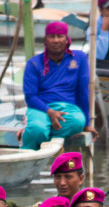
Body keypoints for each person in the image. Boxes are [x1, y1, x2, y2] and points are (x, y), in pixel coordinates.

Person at [21, 22, 92, 150]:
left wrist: (86, 123)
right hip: (40, 108)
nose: (56, 40)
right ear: (45, 41)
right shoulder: (34, 63)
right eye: (51, 37)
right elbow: (30, 97)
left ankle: (32, 133)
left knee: (77, 122)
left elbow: (82, 91)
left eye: (60, 36)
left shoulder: (79, 58)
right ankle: (30, 142)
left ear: (66, 40)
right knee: (37, 129)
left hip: (68, 109)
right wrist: (50, 112)